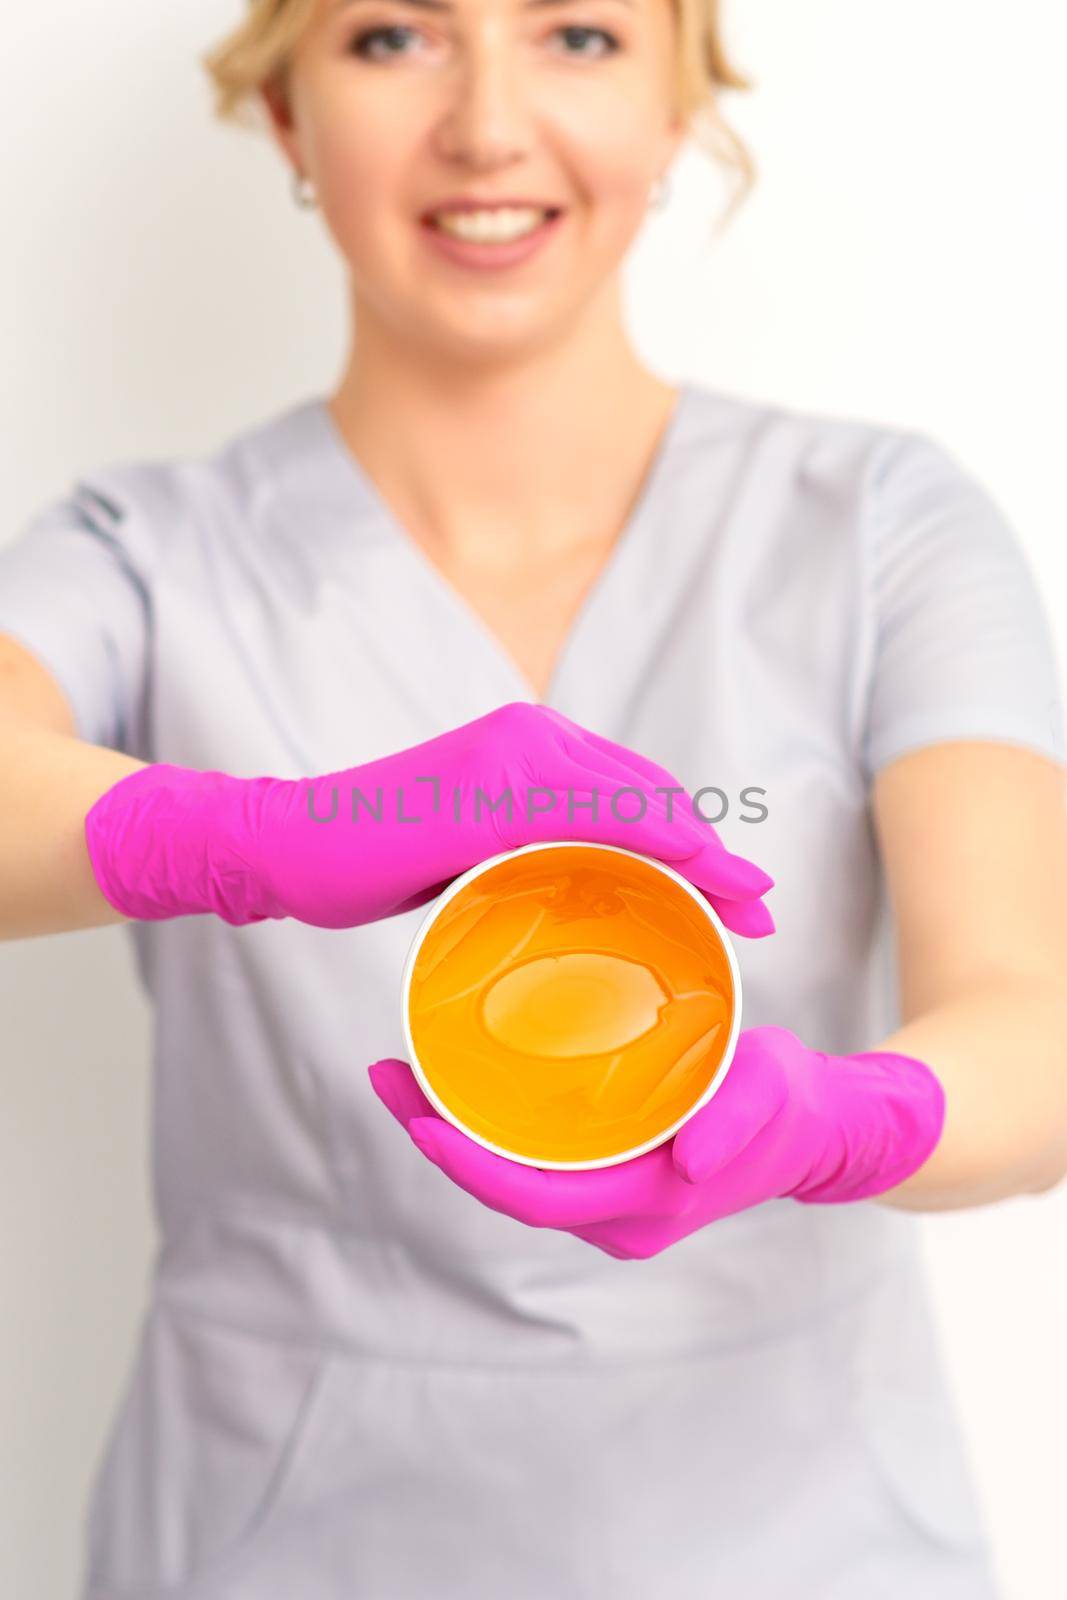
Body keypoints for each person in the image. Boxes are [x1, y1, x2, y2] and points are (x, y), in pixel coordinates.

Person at [2, 0, 1066, 1592]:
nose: (488, 127)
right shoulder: (142, 555)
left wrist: (845, 1121)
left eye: (580, 35)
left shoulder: (879, 523)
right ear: (288, 117)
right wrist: (257, 837)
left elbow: (1035, 1020)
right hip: (274, 1543)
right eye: (391, 38)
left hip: (810, 1542)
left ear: (677, 102)